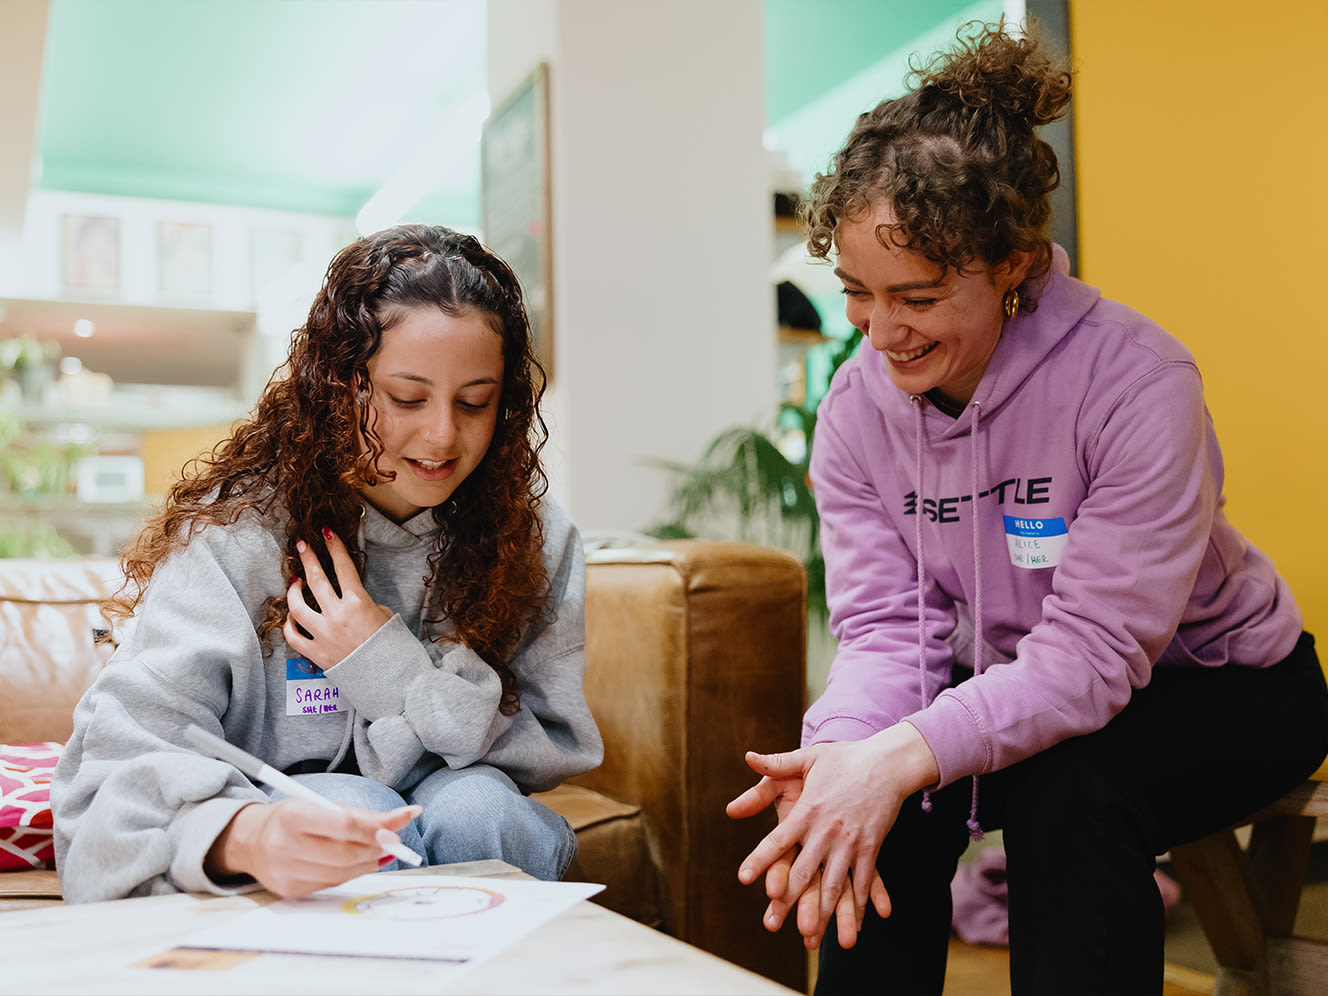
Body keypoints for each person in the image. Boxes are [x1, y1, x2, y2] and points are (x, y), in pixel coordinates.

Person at [726, 21, 1328, 996]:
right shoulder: (854, 412)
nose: (878, 334)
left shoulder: (1135, 383)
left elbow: (1091, 655)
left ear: (1011, 263)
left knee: (1070, 784)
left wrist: (905, 752)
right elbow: (888, 627)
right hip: (1023, 674)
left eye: (914, 296)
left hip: (1226, 684)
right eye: (855, 294)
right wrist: (843, 757)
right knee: (875, 794)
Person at [52, 224, 603, 903]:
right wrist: (247, 834)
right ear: (340, 385)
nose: (442, 435)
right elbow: (123, 756)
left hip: (472, 813)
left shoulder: (536, 539)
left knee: (485, 813)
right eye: (406, 398)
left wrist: (389, 667)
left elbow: (550, 744)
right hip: (290, 822)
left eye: (474, 402)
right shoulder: (239, 533)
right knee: (349, 808)